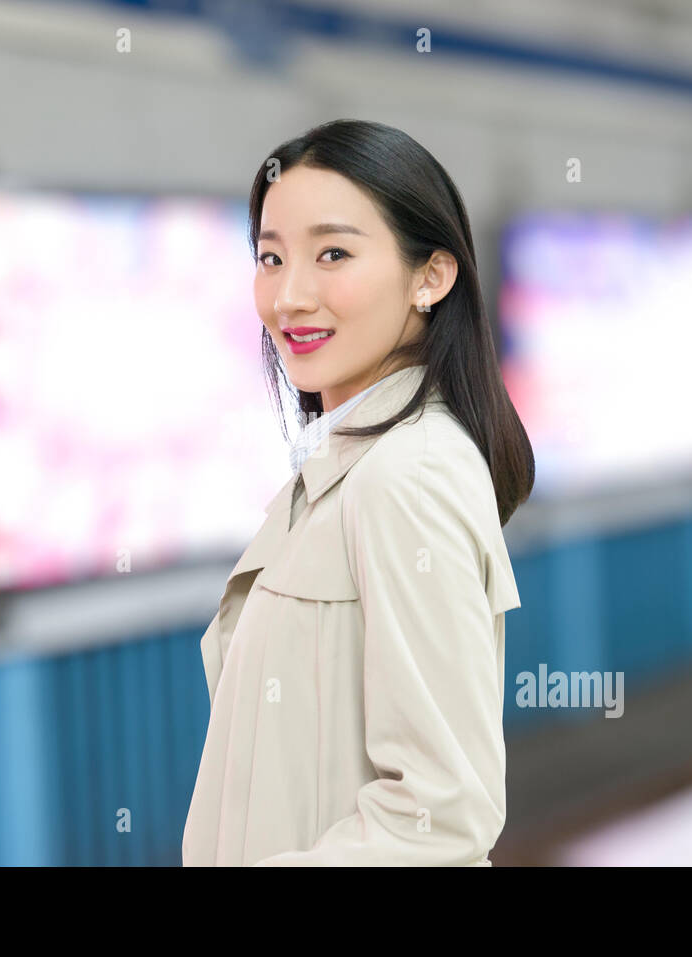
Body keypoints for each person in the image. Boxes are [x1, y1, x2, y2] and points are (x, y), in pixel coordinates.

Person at [182, 119, 535, 866]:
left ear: (431, 276)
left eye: (333, 254)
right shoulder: (344, 468)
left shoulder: (408, 475)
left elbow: (442, 811)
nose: (290, 295)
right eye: (270, 257)